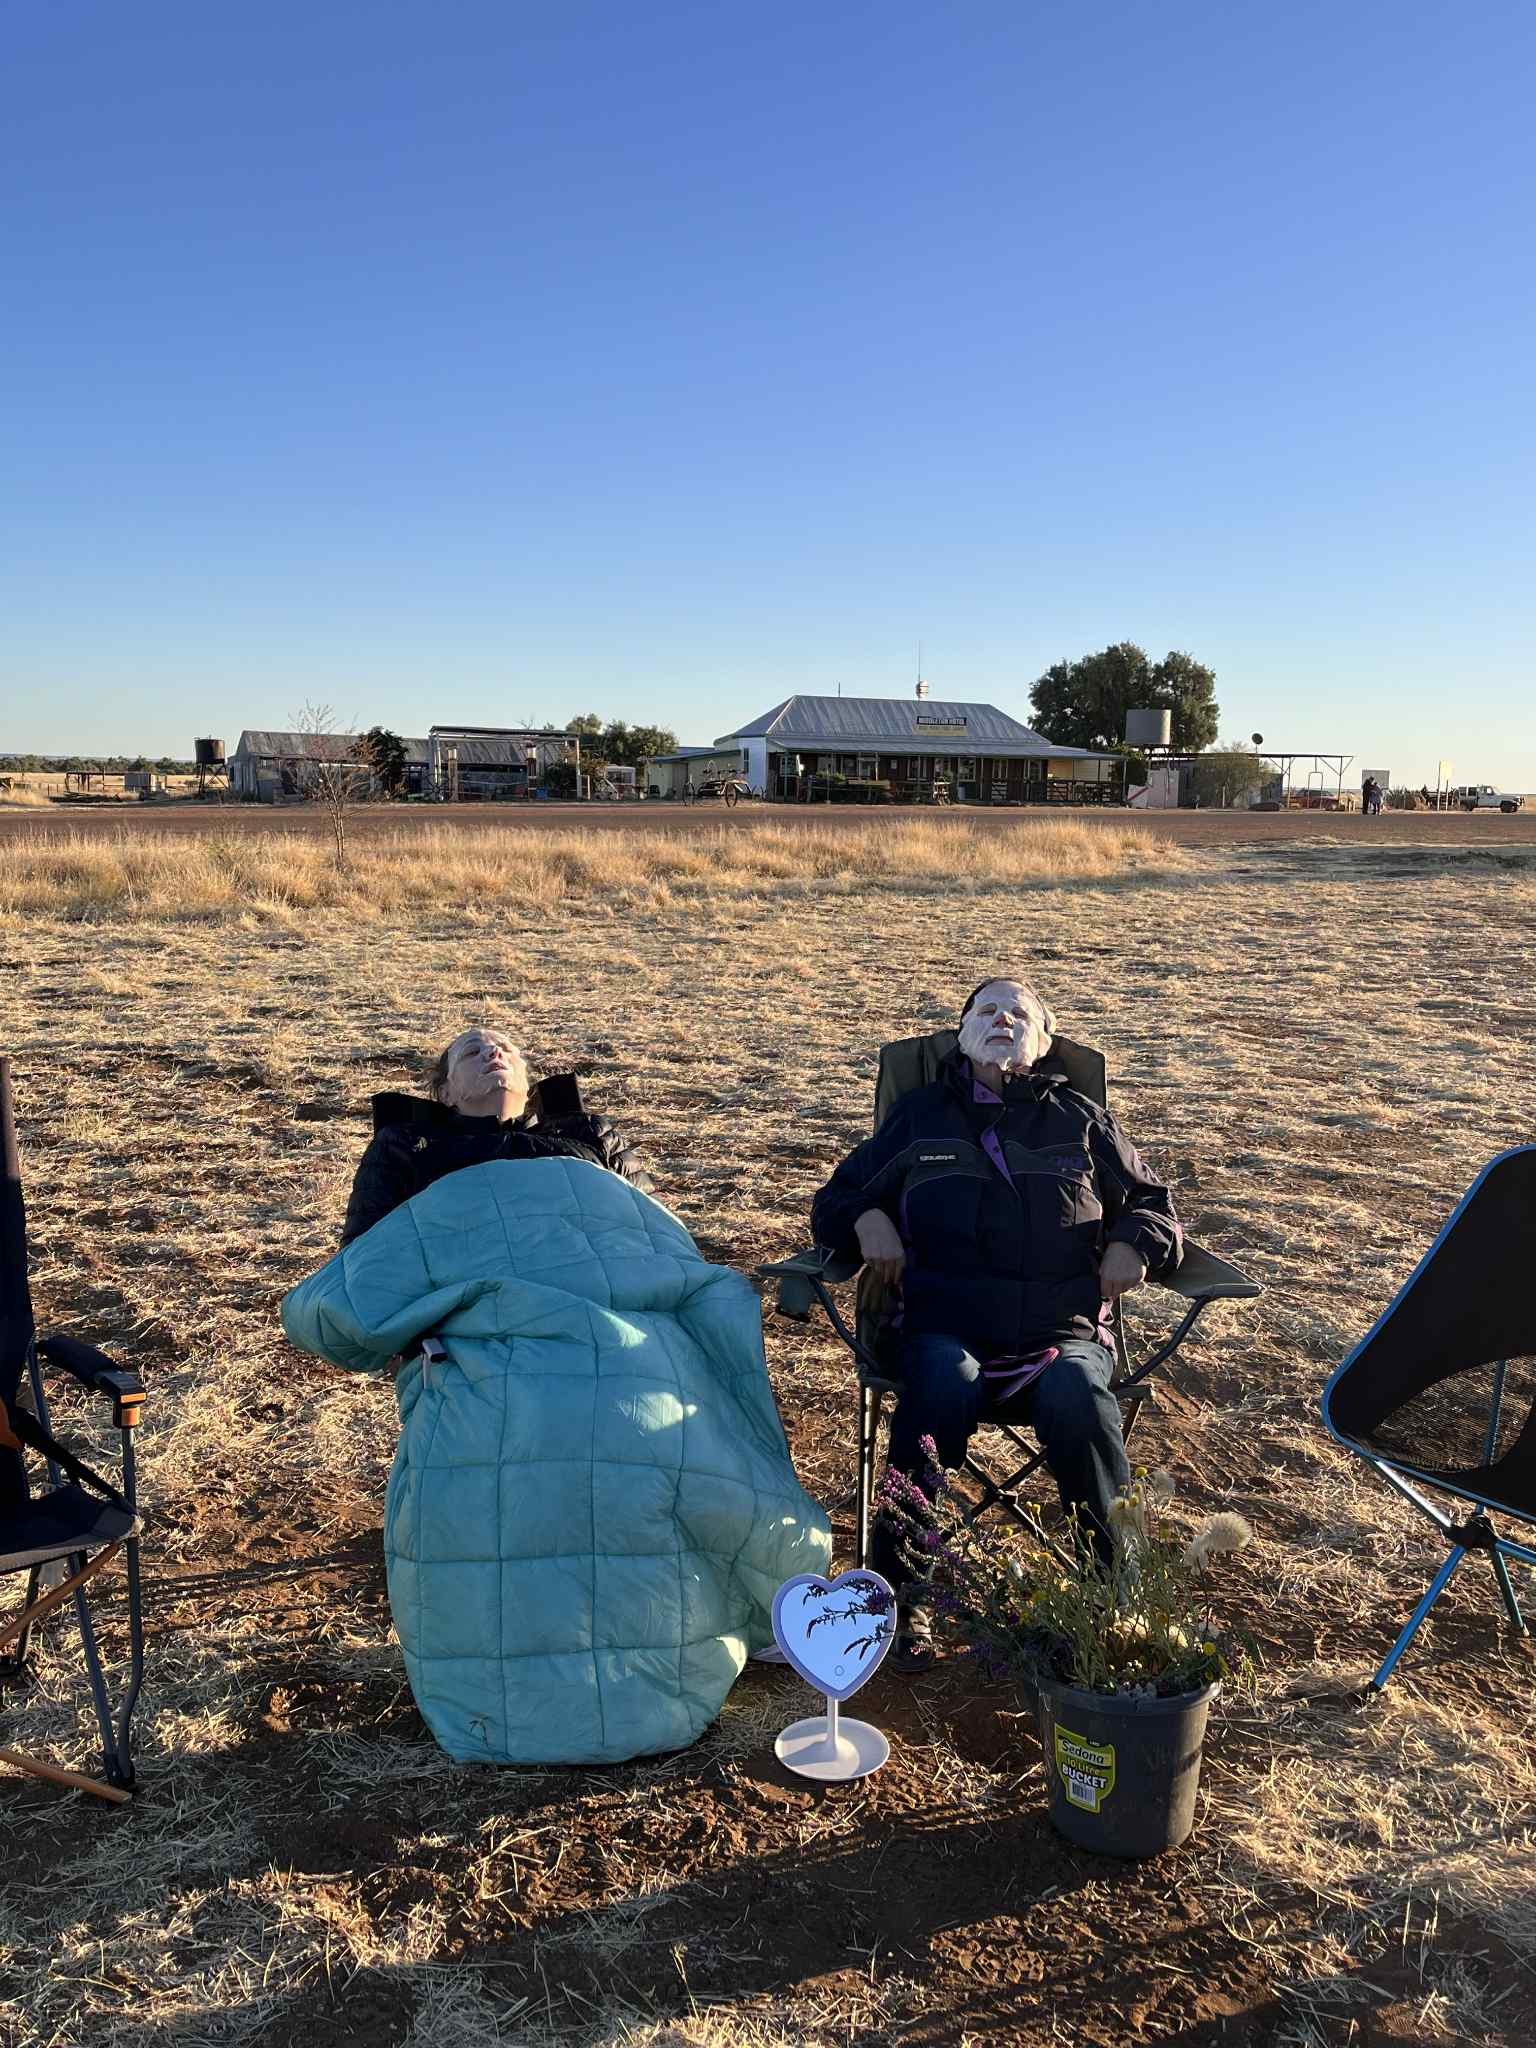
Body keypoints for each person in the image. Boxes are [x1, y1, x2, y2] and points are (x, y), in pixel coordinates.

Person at [810, 977, 1183, 1662]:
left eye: (1021, 1014)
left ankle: (1112, 1603)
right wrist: (867, 1218)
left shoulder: (1080, 1119)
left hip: (1060, 1333)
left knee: (1079, 1396)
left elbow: (1154, 1202)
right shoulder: (921, 1116)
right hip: (944, 1324)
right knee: (943, 1382)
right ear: (961, 1035)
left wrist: (1134, 1241)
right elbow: (836, 1196)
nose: (1002, 1019)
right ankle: (899, 1596)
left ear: (1042, 1045)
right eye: (987, 1010)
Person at [341, 1027, 647, 1246]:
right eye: (472, 1052)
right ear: (446, 1093)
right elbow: (364, 1254)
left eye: (506, 1050)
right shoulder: (407, 1147)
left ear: (528, 1084)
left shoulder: (589, 1134)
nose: (492, 1052)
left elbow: (655, 1228)